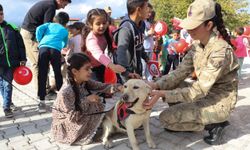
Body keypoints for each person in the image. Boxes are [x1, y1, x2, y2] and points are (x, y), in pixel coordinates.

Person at [143, 0, 239, 145]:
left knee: (165, 119)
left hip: (218, 102)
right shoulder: (197, 45)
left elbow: (199, 89)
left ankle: (216, 124)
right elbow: (179, 73)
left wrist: (163, 94)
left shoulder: (220, 51)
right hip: (203, 95)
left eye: (193, 26)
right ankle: (187, 114)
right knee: (170, 84)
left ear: (209, 25)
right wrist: (155, 85)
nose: (188, 30)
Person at [51, 53, 121, 145]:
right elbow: (72, 117)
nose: (91, 72)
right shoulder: (67, 91)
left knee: (103, 100)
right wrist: (87, 100)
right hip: (67, 129)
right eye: (87, 69)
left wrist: (120, 87)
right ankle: (83, 136)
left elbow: (102, 87)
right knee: (95, 104)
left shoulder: (83, 81)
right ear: (75, 71)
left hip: (76, 119)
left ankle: (107, 125)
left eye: (90, 68)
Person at [20, 0, 71, 93]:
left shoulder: (49, 4)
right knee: (38, 63)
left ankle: (45, 88)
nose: (63, 7)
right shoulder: (50, 6)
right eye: (64, 4)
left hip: (33, 34)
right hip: (30, 34)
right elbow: (46, 28)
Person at [36, 12, 69, 113]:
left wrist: (39, 39)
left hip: (43, 48)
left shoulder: (49, 25)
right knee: (57, 73)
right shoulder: (64, 30)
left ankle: (42, 102)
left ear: (55, 19)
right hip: (55, 51)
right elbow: (65, 43)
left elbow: (38, 29)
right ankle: (61, 101)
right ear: (66, 22)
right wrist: (60, 45)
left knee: (42, 74)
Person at [82, 8, 125, 82]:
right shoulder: (91, 39)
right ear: (90, 25)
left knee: (104, 86)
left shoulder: (105, 33)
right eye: (98, 24)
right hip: (90, 69)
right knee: (97, 89)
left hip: (101, 65)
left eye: (104, 23)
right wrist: (112, 66)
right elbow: (98, 54)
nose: (102, 26)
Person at [0, 4, 27, 117]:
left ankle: (6, 108)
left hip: (11, 62)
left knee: (7, 84)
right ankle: (9, 102)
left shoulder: (12, 27)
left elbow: (20, 44)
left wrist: (23, 58)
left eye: (1, 14)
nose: (0, 16)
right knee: (2, 84)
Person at [114, 0, 149, 83]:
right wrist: (126, 72)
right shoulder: (126, 29)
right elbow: (121, 52)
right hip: (128, 73)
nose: (149, 10)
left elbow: (140, 43)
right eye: (146, 7)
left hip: (137, 69)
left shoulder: (142, 24)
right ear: (139, 10)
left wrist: (145, 56)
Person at [142, 4, 155, 81]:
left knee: (149, 69)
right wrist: (148, 33)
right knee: (143, 69)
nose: (149, 14)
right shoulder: (141, 22)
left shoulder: (148, 22)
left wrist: (154, 37)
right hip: (144, 49)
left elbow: (149, 35)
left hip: (150, 48)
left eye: (150, 12)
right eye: (148, 11)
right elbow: (141, 36)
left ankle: (149, 84)